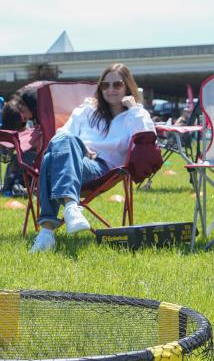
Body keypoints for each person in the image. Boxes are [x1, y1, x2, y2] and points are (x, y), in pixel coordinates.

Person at [30, 64, 154, 253]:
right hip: (76, 158)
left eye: (117, 84)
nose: (111, 90)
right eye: (105, 85)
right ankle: (71, 207)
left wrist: (134, 109)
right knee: (66, 140)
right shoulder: (86, 111)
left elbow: (147, 141)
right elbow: (60, 138)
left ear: (128, 86)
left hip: (103, 168)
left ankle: (47, 233)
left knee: (50, 160)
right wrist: (82, 148)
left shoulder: (135, 114)